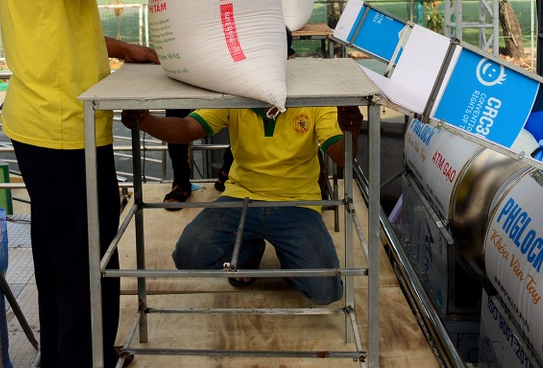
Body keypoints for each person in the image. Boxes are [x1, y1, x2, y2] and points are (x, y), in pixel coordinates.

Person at [0, 0, 231, 367]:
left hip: (48, 121)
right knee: (86, 263)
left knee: (62, 259)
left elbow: (50, 25)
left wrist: (125, 48)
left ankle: (66, 356)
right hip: (60, 127)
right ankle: (85, 360)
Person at [120, 33, 363, 306]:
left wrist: (350, 131)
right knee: (189, 256)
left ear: (288, 58)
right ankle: (249, 251)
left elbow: (341, 158)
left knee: (325, 291)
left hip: (297, 202)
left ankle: (283, 255)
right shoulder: (237, 92)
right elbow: (188, 127)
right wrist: (146, 120)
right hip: (240, 197)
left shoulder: (312, 97)